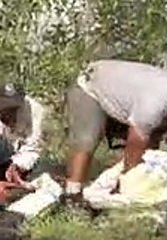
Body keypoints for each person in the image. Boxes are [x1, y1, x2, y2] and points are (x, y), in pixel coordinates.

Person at [62, 59, 167, 196]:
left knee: (150, 151)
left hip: (127, 93)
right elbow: (137, 141)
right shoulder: (156, 102)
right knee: (87, 139)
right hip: (91, 86)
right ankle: (72, 192)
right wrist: (129, 181)